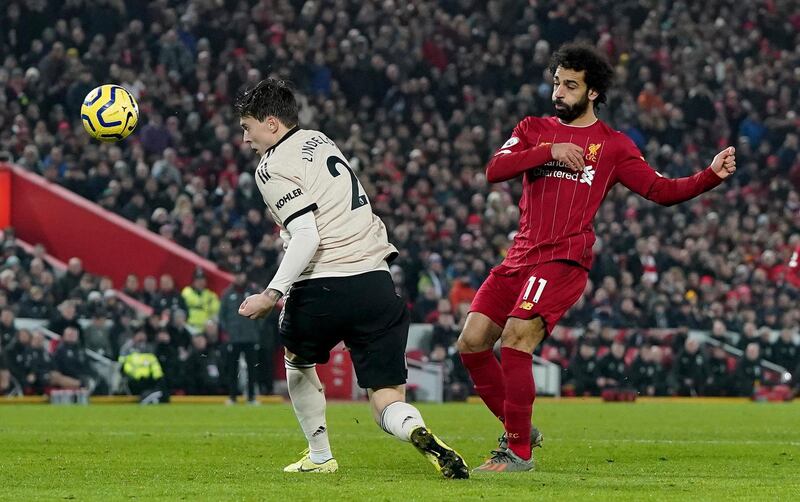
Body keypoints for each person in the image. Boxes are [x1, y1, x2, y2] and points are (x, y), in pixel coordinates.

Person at [456, 43, 737, 472]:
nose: (559, 92)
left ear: (591, 93)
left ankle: (517, 453)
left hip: (563, 258)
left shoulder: (613, 146)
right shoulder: (533, 128)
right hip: (519, 256)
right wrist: (548, 152)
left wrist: (710, 176)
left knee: (516, 336)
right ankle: (518, 426)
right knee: (472, 343)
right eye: (556, 83)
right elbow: (495, 168)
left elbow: (660, 191)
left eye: (570, 85)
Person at [234, 78, 468, 478]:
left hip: (322, 283)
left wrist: (272, 293)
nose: (245, 139)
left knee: (297, 359)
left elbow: (307, 234)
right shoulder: (319, 140)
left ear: (271, 124)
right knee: (386, 397)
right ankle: (415, 428)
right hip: (376, 283)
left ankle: (321, 456)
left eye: (247, 127)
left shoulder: (271, 167)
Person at [219, 265, 262, 404]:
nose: (239, 277)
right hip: (234, 338)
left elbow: (262, 313)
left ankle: (251, 397)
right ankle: (232, 397)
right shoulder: (227, 294)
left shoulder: (253, 292)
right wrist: (228, 331)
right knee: (232, 368)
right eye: (236, 274)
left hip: (250, 337)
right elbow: (222, 316)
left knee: (252, 369)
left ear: (245, 275)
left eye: (241, 274)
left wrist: (256, 330)